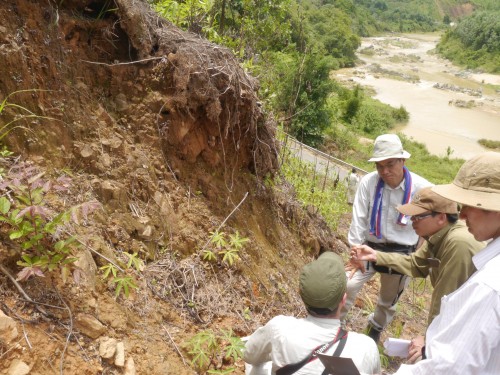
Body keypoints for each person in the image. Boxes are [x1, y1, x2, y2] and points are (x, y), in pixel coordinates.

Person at [394, 151, 500, 374]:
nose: (462, 215)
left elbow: (449, 367)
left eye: (470, 205)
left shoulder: (489, 286)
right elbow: (416, 264)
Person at [350, 187, 484, 362]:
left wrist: (428, 341)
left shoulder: (458, 243)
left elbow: (446, 299)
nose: (412, 221)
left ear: (441, 217)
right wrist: (375, 256)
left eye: (418, 216)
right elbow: (415, 264)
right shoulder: (438, 235)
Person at [341, 134, 432, 343]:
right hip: (368, 248)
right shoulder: (369, 183)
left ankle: (375, 329)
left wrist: (421, 249)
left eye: (390, 164)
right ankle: (335, 324)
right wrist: (356, 251)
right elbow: (359, 219)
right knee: (348, 284)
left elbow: (435, 220)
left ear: (403, 160)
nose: (384, 171)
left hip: (401, 253)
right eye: (379, 166)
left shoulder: (423, 188)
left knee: (387, 300)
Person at [243, 251, 381, 375]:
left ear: (301, 294)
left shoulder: (280, 328)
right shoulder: (365, 347)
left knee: (258, 365)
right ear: (344, 299)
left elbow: (249, 355)